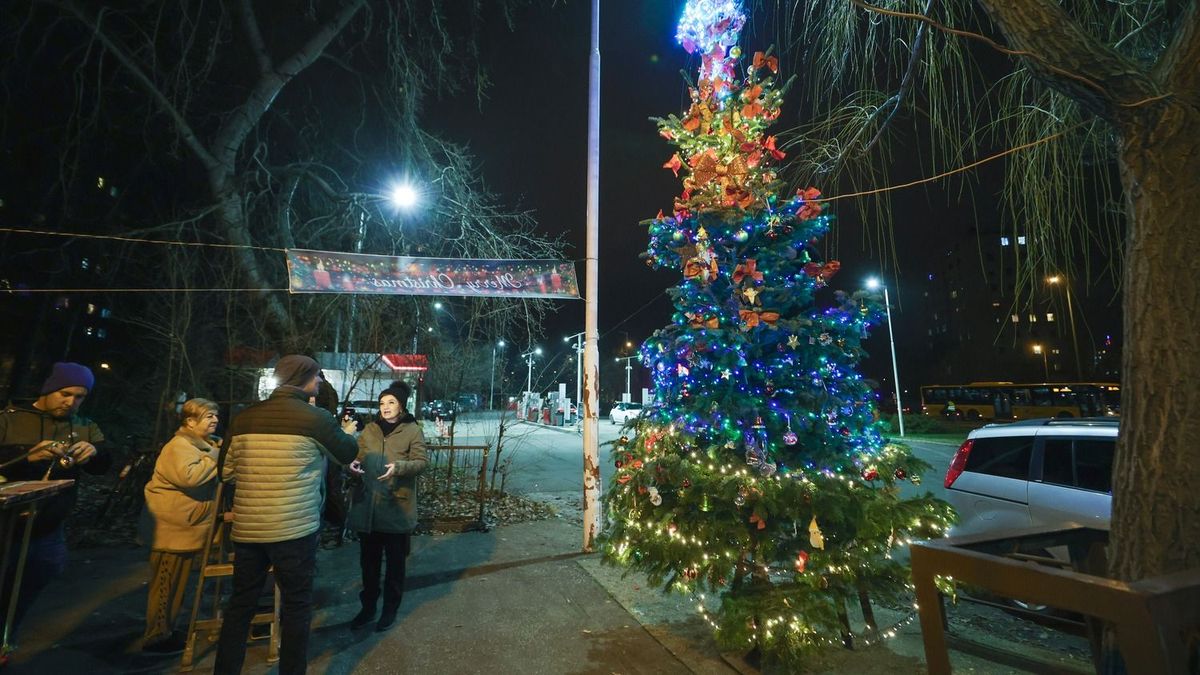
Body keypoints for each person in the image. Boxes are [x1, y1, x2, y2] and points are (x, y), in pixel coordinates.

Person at [214, 355, 358, 675]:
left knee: (240, 605)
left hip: (249, 529)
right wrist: (347, 431)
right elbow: (347, 452)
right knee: (296, 607)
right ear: (302, 378)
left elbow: (226, 473)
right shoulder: (315, 419)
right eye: (316, 376)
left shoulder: (244, 418)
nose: (319, 382)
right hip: (294, 530)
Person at [0, 362, 109, 642]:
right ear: (49, 389)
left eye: (79, 397)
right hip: (6, 524)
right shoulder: (10, 420)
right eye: (65, 394)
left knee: (41, 573)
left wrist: (94, 453)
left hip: (48, 524)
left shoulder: (85, 426)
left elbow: (105, 464)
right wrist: (25, 455)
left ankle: (6, 638)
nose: (71, 402)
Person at [138, 398, 221, 654]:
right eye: (208, 416)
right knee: (166, 584)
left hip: (183, 526)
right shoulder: (178, 446)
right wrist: (216, 456)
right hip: (170, 528)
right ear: (190, 421)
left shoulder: (201, 445)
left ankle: (167, 629)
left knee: (177, 583)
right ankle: (157, 636)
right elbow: (190, 477)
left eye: (215, 415)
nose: (215, 420)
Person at [346, 381, 427, 631]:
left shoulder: (412, 430)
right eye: (382, 403)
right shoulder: (370, 429)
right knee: (368, 566)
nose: (386, 407)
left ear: (401, 405)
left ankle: (389, 609)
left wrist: (399, 467)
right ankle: (368, 608)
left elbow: (421, 462)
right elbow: (358, 456)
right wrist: (353, 465)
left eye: (391, 402)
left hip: (395, 507)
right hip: (368, 507)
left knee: (395, 566)